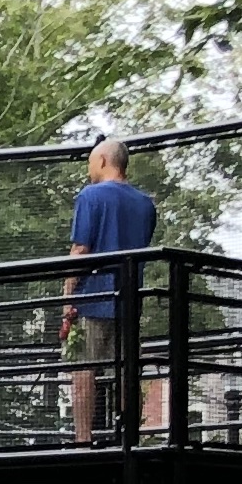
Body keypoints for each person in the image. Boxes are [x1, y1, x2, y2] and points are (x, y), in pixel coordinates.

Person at [56, 136, 160, 441]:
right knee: (129, 371)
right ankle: (130, 438)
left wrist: (67, 295)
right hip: (129, 301)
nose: (89, 168)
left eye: (90, 161)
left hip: (92, 299)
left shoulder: (91, 196)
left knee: (84, 370)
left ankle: (83, 441)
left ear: (103, 161)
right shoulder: (145, 204)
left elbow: (81, 249)